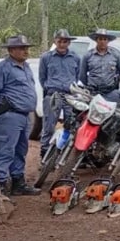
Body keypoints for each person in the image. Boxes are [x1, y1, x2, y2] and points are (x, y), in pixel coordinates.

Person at [0, 34, 40, 196]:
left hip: (24, 115)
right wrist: (2, 105)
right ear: (11, 50)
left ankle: (17, 183)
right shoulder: (1, 68)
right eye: (22, 48)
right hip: (9, 116)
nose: (26, 51)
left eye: (26, 48)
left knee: (21, 150)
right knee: (4, 150)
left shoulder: (26, 67)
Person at [38, 29, 80, 158]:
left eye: (65, 41)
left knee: (70, 125)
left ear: (69, 43)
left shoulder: (75, 58)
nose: (62, 44)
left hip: (69, 96)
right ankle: (44, 154)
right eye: (60, 41)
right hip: (53, 95)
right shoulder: (46, 57)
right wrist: (50, 88)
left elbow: (77, 76)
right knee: (49, 126)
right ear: (55, 41)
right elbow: (42, 77)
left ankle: (63, 154)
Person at [79, 28, 120, 101]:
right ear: (96, 40)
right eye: (100, 39)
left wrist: (117, 82)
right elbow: (82, 75)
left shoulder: (115, 55)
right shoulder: (88, 56)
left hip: (111, 93)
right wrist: (89, 86)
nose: (102, 42)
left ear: (108, 41)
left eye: (105, 39)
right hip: (93, 93)